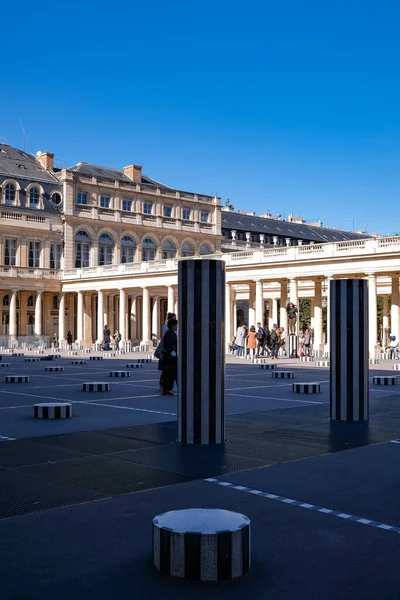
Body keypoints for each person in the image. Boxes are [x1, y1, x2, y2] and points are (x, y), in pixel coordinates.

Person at [161, 318, 178, 395]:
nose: (177, 326)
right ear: (172, 325)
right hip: (169, 358)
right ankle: (167, 389)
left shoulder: (172, 333)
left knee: (170, 374)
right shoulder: (169, 334)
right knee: (169, 374)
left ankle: (167, 389)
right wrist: (174, 354)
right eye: (176, 325)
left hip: (170, 358)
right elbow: (169, 346)